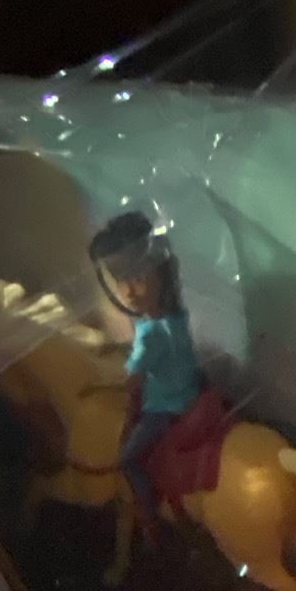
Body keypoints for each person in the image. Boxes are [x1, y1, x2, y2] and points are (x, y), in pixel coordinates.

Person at [88, 213, 202, 538]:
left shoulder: (149, 332)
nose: (127, 291)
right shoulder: (176, 317)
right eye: (120, 281)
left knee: (129, 459)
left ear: (160, 273)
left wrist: (102, 385)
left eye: (137, 278)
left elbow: (133, 380)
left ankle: (150, 513)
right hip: (191, 392)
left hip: (164, 408)